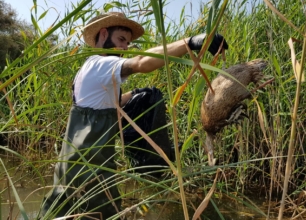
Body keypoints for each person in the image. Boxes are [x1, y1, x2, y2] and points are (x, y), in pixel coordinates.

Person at [38, 12, 228, 219]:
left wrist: (137, 95)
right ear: (103, 34)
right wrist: (190, 42)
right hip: (89, 173)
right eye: (121, 40)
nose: (125, 48)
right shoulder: (99, 64)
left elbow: (106, 104)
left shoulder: (92, 71)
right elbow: (141, 63)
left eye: (127, 43)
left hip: (73, 168)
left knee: (57, 212)